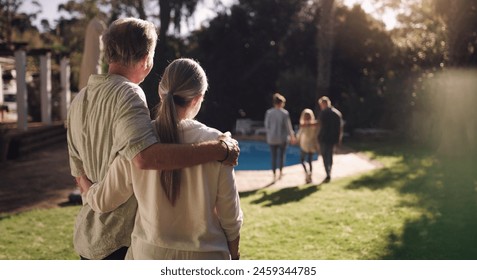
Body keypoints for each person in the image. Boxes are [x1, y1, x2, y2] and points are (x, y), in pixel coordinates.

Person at [67, 18, 239, 260]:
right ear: (147, 58)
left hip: (89, 236)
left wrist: (89, 192)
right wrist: (217, 150)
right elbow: (144, 157)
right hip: (119, 239)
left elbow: (78, 172)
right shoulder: (129, 93)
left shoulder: (78, 100)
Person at [264, 93, 296, 181]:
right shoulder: (284, 113)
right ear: (281, 103)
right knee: (281, 156)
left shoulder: (269, 112)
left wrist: (270, 134)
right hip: (282, 139)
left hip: (272, 139)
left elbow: (267, 126)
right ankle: (280, 173)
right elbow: (288, 126)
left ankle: (274, 174)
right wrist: (292, 136)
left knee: (273, 157)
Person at [317, 96, 343, 183]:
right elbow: (340, 128)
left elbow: (319, 126)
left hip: (324, 137)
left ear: (324, 104)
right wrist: (339, 138)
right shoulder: (337, 113)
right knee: (330, 155)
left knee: (324, 155)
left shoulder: (323, 113)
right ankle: (329, 171)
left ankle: (327, 172)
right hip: (333, 138)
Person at [296, 108, 320, 184]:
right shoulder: (308, 125)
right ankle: (308, 174)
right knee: (308, 161)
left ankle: (308, 174)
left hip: (307, 144)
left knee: (305, 160)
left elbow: (300, 134)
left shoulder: (311, 125)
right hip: (308, 144)